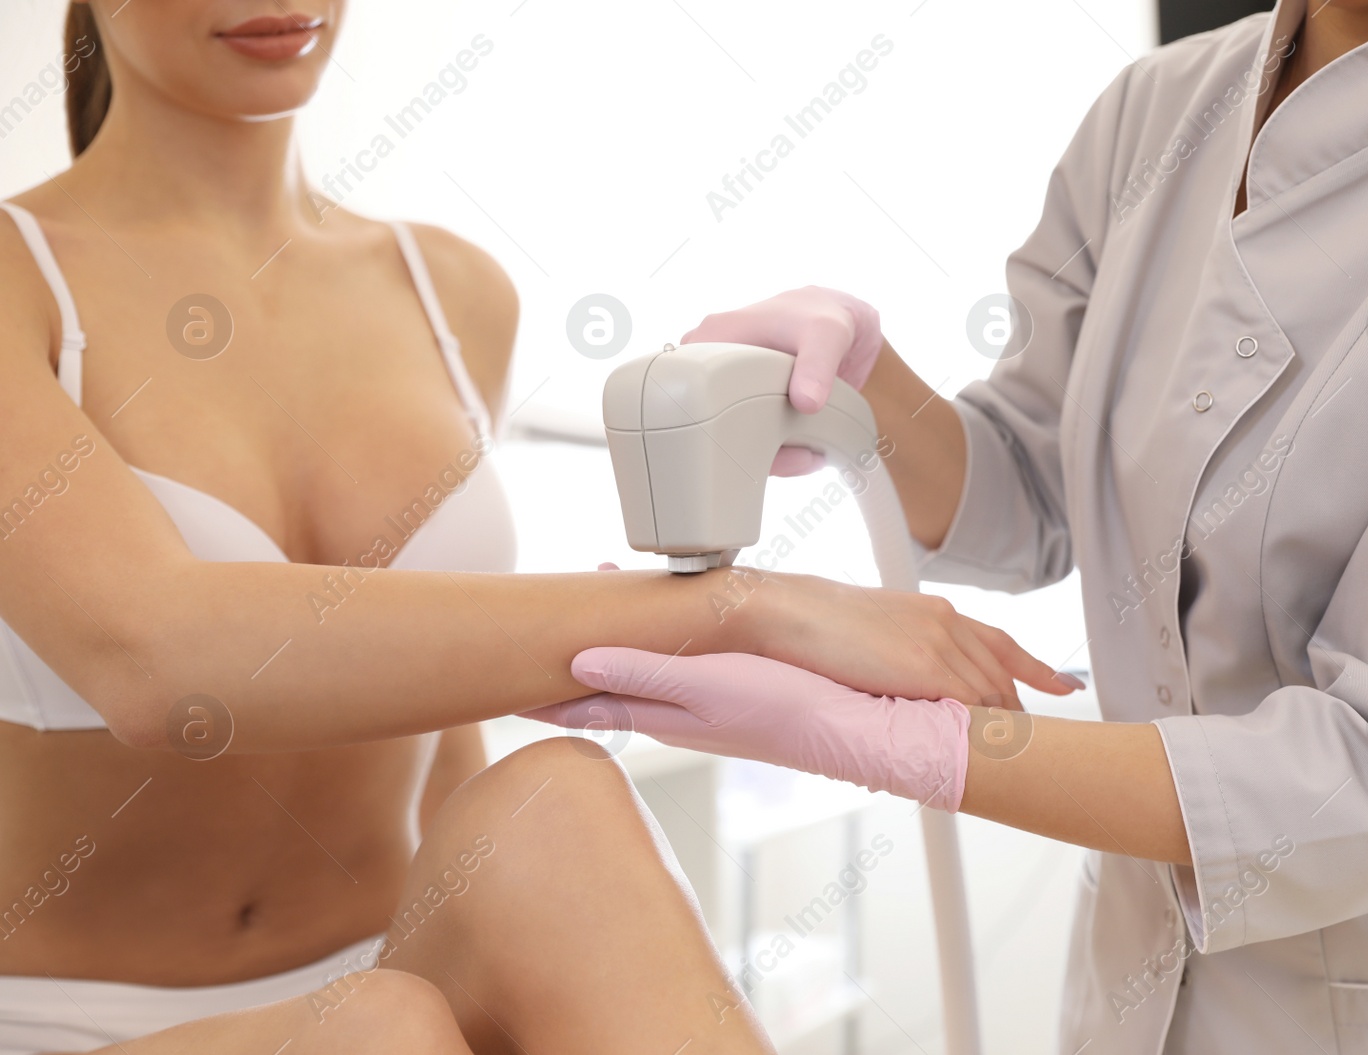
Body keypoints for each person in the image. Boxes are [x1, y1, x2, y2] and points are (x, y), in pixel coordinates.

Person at [0, 3, 1069, 1053]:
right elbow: (155, 656)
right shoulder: (22, 276)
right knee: (376, 1030)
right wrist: (739, 609)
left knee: (551, 800)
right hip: (80, 1016)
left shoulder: (451, 290)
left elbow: (437, 712)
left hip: (392, 976)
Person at [542, 0, 1368, 1050]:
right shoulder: (1158, 110)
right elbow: (1038, 487)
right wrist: (865, 392)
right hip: (1132, 994)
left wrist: (902, 739)